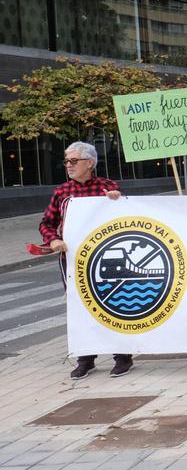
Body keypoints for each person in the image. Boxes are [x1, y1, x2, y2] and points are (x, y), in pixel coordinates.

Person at [38, 141, 128, 379]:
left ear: (89, 163)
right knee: (79, 306)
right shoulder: (62, 192)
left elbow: (126, 216)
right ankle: (85, 358)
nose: (69, 165)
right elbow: (46, 223)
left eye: (73, 160)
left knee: (113, 303)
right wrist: (53, 240)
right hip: (74, 259)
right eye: (66, 161)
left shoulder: (107, 187)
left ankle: (122, 355)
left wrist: (117, 200)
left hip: (105, 258)